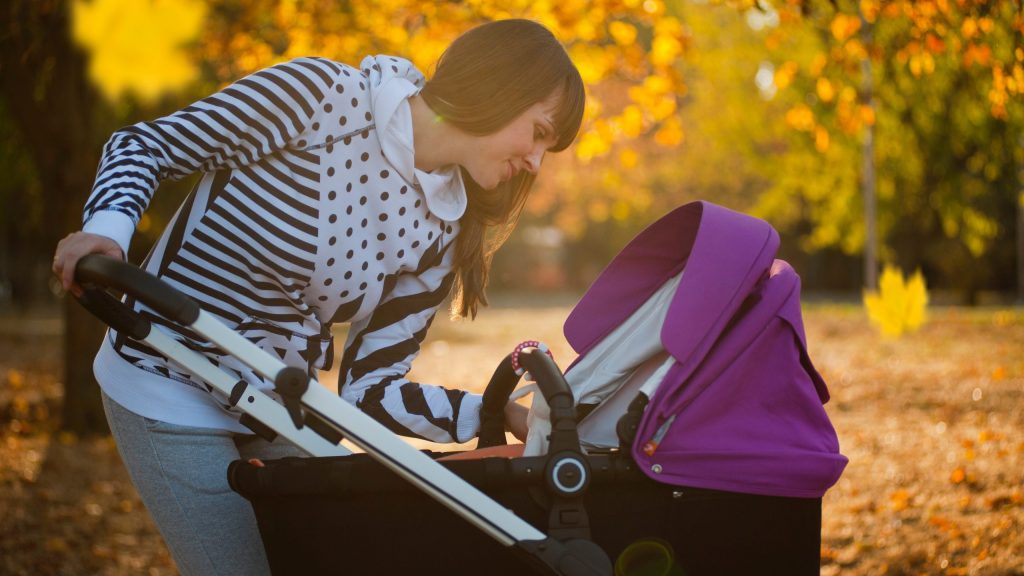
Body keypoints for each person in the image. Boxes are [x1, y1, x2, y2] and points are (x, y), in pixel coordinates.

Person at [52, 18, 585, 576]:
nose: (535, 164)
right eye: (540, 133)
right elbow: (146, 146)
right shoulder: (320, 98)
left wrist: (495, 410)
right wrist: (107, 231)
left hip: (275, 402)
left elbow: (371, 392)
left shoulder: (444, 228)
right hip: (168, 372)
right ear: (500, 88)